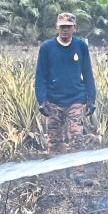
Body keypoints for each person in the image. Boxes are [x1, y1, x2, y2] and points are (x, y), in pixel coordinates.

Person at [35, 12, 97, 152]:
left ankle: (79, 173)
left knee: (77, 138)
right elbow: (40, 76)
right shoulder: (47, 48)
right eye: (62, 26)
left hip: (76, 100)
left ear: (74, 28)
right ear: (56, 27)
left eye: (68, 27)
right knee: (54, 141)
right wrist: (42, 100)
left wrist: (91, 99)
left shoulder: (81, 46)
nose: (65, 30)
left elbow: (87, 73)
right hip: (53, 102)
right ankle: (58, 173)